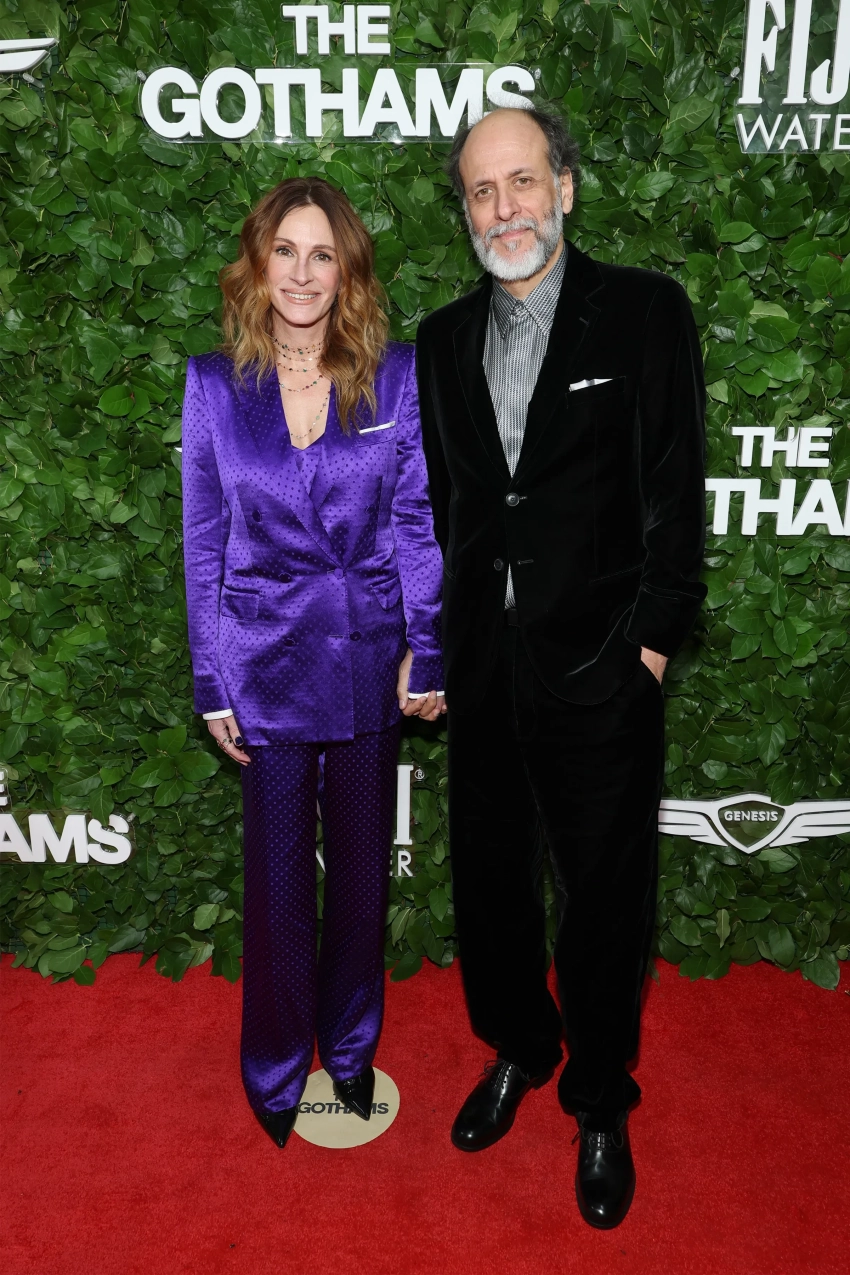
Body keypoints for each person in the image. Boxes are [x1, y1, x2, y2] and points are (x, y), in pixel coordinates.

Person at [416, 107, 706, 1228]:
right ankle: (521, 1050)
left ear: (566, 188)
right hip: (483, 673)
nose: (505, 209)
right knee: (491, 891)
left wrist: (649, 645)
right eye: (482, 191)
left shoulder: (643, 311)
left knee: (604, 905)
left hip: (601, 670)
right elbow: (448, 509)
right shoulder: (441, 340)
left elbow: (675, 491)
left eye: (523, 181)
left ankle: (597, 1097)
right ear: (466, 210)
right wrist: (436, 646)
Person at [182, 176, 445, 1149]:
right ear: (257, 266)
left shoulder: (394, 375)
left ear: (348, 272)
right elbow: (203, 540)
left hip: (370, 661)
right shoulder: (214, 386)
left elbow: (416, 521)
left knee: (363, 878)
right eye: (284, 252)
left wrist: (430, 647)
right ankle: (275, 1062)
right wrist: (212, 676)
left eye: (321, 254)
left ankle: (351, 1044)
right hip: (264, 666)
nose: (301, 274)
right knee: (281, 885)